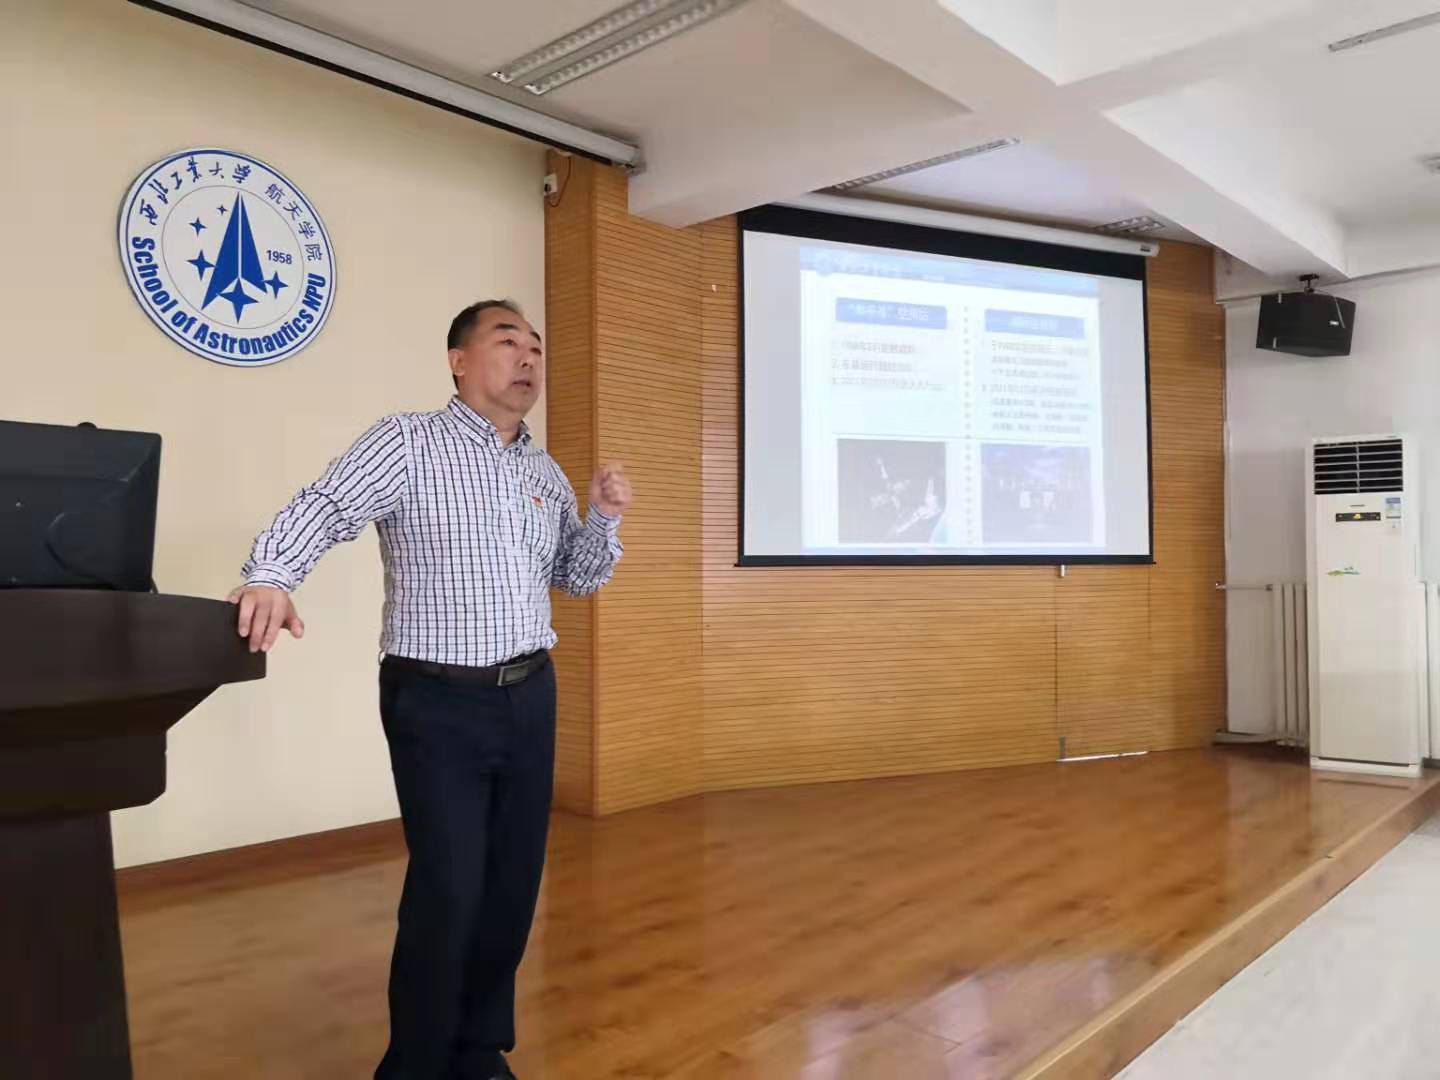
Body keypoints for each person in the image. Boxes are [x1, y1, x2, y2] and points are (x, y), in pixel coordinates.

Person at [228, 300, 630, 1080]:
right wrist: (271, 574)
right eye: (508, 341)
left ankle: (479, 1050)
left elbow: (574, 578)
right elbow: (327, 506)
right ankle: (414, 1062)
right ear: (458, 360)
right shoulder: (408, 442)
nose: (529, 357)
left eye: (536, 347)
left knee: (511, 885)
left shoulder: (543, 473)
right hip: (437, 700)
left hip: (530, 694)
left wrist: (605, 518)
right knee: (448, 886)